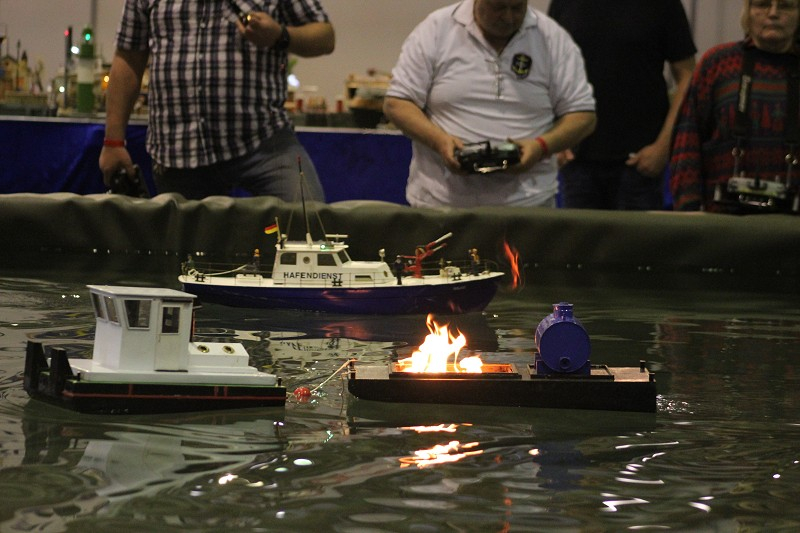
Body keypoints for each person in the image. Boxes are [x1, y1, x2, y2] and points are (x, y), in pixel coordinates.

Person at [99, 0, 335, 201]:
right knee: (186, 243)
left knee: (309, 224)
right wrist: (113, 142)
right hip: (179, 150)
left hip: (264, 141)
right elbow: (128, 57)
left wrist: (280, 35)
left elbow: (325, 36)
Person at [383, 0, 596, 208]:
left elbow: (583, 116)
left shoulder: (553, 38)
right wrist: (439, 141)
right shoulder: (436, 29)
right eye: (498, 7)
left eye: (517, 8)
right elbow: (397, 103)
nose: (508, 17)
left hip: (529, 205)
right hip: (442, 204)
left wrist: (540, 147)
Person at [548, 0, 697, 211]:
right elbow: (550, 71)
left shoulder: (663, 4)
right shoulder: (564, 3)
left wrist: (664, 146)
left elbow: (687, 75)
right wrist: (556, 138)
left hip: (640, 163)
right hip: (577, 160)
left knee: (637, 235)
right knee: (580, 234)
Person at [671, 0, 800, 213]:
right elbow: (687, 144)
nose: (773, 13)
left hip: (792, 223)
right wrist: (689, 209)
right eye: (762, 5)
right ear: (748, 12)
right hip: (721, 219)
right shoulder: (717, 64)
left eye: (785, 6)